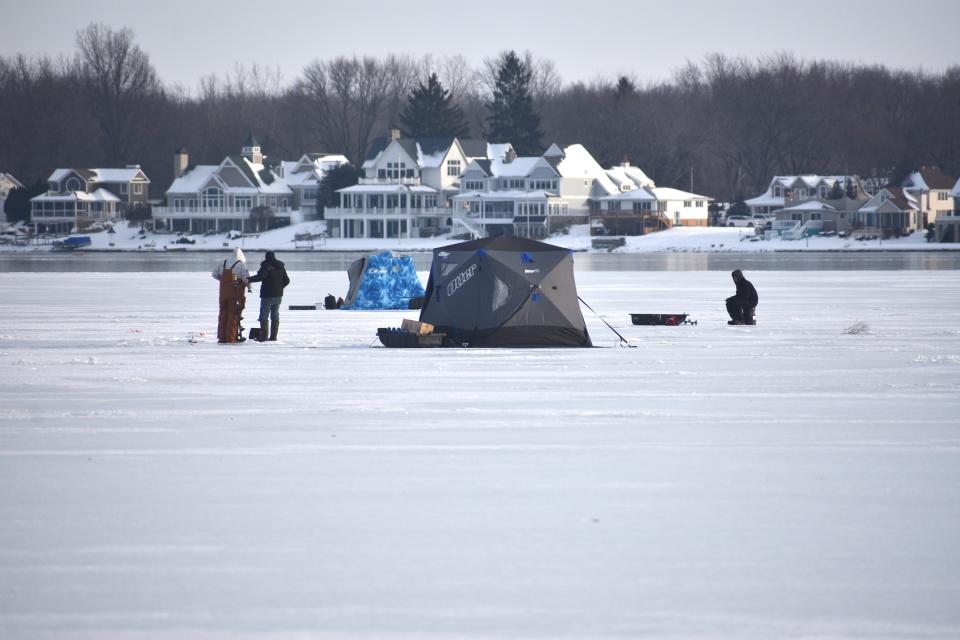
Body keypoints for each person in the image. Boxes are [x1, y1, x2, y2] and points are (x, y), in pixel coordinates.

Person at [247, 251, 290, 341]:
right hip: (278, 295)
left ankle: (263, 337)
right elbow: (287, 280)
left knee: (264, 315)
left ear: (266, 257)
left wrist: (248, 279)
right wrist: (280, 288)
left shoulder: (265, 266)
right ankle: (273, 337)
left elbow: (260, 277)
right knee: (275, 315)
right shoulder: (280, 266)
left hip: (267, 295)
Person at [212, 247, 251, 343]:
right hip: (235, 293)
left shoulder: (223, 262)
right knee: (233, 315)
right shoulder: (241, 264)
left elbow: (214, 274)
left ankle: (222, 338)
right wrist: (249, 287)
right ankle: (231, 338)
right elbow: (246, 279)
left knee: (223, 315)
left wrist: (224, 282)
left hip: (223, 294)